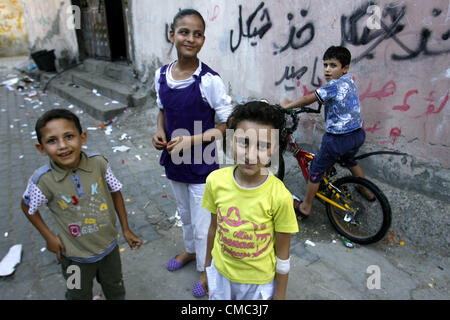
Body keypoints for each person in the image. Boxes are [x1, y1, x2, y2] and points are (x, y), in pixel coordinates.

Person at [151, 9, 233, 298]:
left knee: (203, 224)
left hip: (202, 166)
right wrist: (160, 131)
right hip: (175, 161)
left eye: (197, 34)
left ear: (203, 40)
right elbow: (162, 110)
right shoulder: (162, 75)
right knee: (185, 215)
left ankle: (205, 268)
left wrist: (191, 141)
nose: (190, 38)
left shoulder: (209, 81)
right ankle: (189, 252)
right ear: (172, 35)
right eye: (184, 32)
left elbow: (225, 125)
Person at [21, 109, 143, 300]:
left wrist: (126, 229)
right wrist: (49, 237)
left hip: (109, 249)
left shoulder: (99, 164)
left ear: (82, 137)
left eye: (69, 136)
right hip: (73, 258)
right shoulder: (42, 181)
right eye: (52, 141)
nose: (62, 146)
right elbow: (27, 208)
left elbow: (115, 192)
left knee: (115, 288)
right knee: (77, 294)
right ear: (41, 148)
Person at [200, 101, 299, 300]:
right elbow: (213, 229)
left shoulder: (280, 197)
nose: (251, 154)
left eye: (263, 145)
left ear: (274, 149)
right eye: (244, 142)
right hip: (220, 275)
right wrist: (206, 270)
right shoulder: (215, 181)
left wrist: (280, 294)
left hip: (257, 286)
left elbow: (282, 254)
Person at [280, 45, 374, 218]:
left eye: (333, 65)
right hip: (357, 134)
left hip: (337, 139)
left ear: (345, 68)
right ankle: (365, 189)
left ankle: (306, 207)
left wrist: (288, 105)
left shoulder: (332, 86)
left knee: (316, 168)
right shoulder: (349, 81)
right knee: (349, 159)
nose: (327, 69)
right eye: (325, 65)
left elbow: (308, 98)